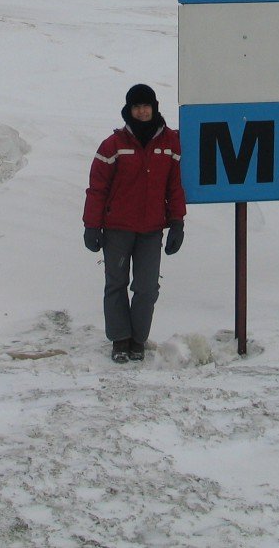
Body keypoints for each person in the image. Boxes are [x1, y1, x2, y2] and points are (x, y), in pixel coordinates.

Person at [82, 83, 186, 363]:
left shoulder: (170, 144)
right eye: (137, 107)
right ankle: (120, 339)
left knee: (147, 287)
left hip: (151, 230)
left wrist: (178, 222)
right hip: (117, 229)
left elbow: (175, 186)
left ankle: (138, 339)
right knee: (115, 284)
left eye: (146, 106)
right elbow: (97, 188)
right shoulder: (113, 145)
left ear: (154, 108)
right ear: (129, 110)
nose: (142, 111)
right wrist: (91, 225)